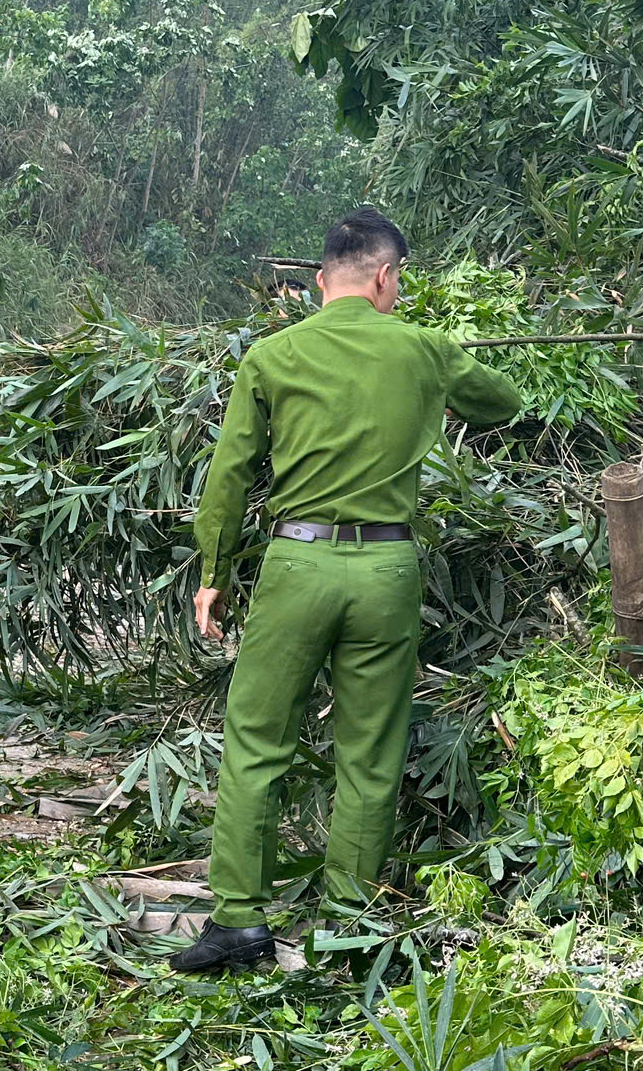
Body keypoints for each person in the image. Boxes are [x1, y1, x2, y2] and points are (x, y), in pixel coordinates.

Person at [176, 208, 525, 972]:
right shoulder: (424, 349)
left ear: (314, 284)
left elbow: (230, 475)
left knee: (257, 744)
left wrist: (213, 577)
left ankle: (238, 922)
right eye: (397, 282)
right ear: (383, 276)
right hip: (388, 573)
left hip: (297, 567)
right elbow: (504, 403)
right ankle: (349, 926)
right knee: (368, 753)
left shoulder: (271, 357)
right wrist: (444, 367)